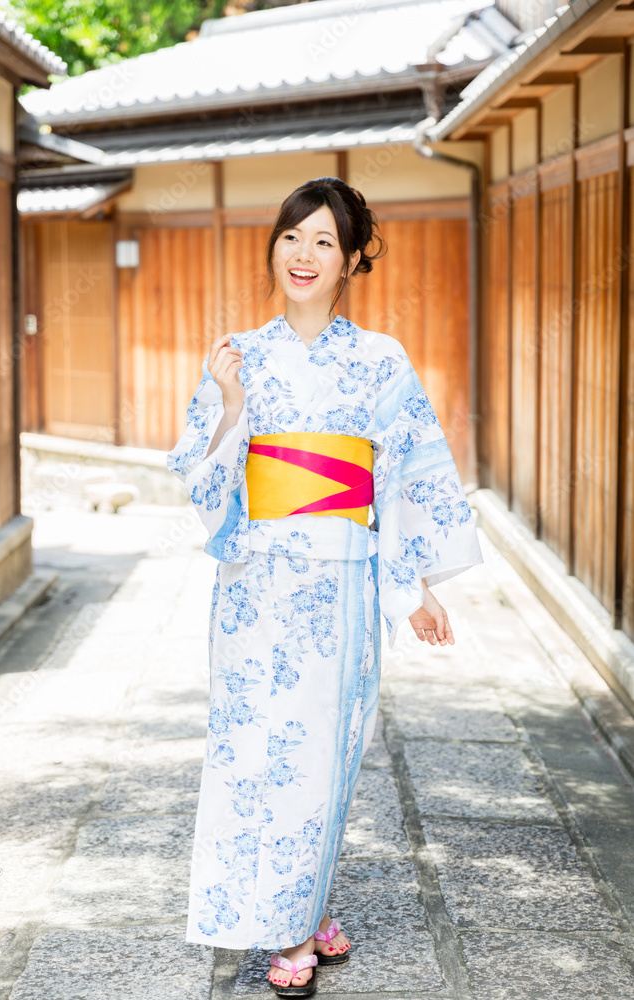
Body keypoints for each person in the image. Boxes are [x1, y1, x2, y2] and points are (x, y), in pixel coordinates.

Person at [167, 176, 484, 995]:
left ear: (349, 262)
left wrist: (414, 585)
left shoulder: (380, 361)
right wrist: (232, 403)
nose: (302, 255)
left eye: (322, 243)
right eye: (290, 237)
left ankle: (297, 913)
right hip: (253, 581)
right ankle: (289, 921)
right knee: (249, 750)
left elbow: (410, 475)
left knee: (320, 753)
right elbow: (198, 483)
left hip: (339, 584)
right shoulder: (239, 353)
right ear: (273, 248)